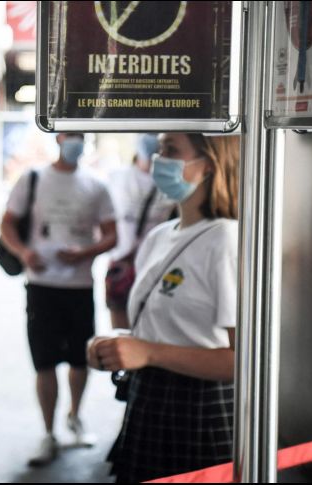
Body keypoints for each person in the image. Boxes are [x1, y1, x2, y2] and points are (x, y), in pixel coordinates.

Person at [87, 133, 240, 483]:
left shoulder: (225, 239)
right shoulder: (161, 235)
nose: (158, 160)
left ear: (209, 163)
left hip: (200, 409)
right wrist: (117, 347)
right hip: (149, 400)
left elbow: (241, 360)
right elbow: (159, 332)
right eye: (159, 149)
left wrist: (149, 353)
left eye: (171, 150)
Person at [1, 132, 118, 467]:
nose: (75, 142)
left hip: (79, 287)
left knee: (81, 360)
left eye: (81, 136)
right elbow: (7, 223)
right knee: (45, 361)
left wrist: (86, 251)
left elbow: (112, 234)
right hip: (42, 286)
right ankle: (48, 432)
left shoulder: (97, 184)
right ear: (58, 138)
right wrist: (24, 253)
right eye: (70, 136)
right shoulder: (34, 178)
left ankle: (75, 417)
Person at [106, 134, 177, 329]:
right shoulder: (117, 177)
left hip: (155, 264)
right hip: (122, 262)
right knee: (120, 324)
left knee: (152, 323)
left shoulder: (170, 183)